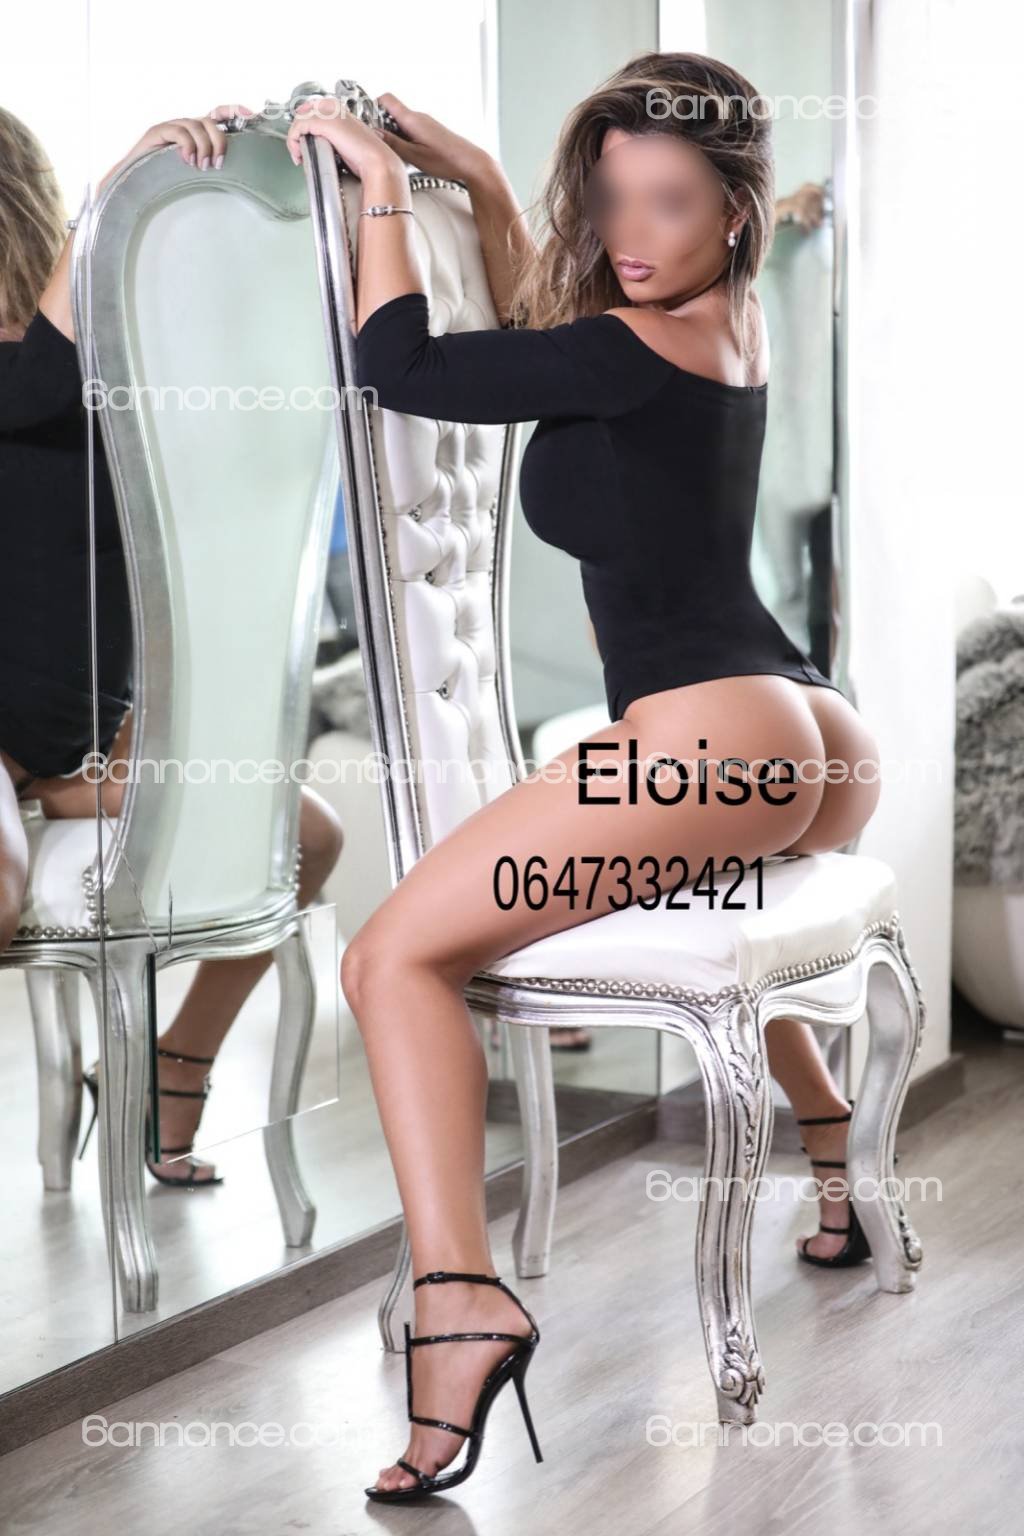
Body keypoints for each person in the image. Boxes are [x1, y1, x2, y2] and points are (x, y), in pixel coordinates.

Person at [286, 51, 883, 1500]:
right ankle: (835, 1159)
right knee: (664, 900)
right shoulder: (718, 321)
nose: (630, 231)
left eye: (667, 202)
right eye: (611, 197)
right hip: (810, 737)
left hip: (713, 742)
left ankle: (460, 1310)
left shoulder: (626, 344)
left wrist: (382, 190)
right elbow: (559, 334)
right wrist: (486, 184)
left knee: (386, 961)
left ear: (734, 211)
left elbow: (402, 366)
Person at [0, 106, 344, 1184]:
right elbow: (31, 386)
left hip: (80, 730)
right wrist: (117, 194)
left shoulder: (110, 348)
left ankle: (172, 1065)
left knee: (305, 835)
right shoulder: (51, 364)